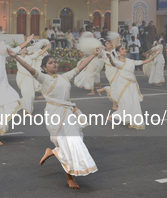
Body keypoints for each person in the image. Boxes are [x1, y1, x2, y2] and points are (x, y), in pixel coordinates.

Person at [9, 47, 102, 189]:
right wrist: (15, 56)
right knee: (65, 144)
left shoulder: (65, 77)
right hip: (54, 114)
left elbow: (81, 66)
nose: (54, 64)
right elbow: (29, 68)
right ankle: (70, 178)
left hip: (68, 113)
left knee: (75, 141)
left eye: (55, 62)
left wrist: (94, 55)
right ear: (45, 67)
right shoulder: (43, 77)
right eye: (50, 63)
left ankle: (53, 152)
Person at [106, 45, 158, 129]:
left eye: (124, 48)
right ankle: (113, 117)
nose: (124, 50)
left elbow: (144, 62)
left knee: (133, 103)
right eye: (122, 49)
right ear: (118, 53)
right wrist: (110, 59)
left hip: (132, 84)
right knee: (127, 104)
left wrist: (156, 54)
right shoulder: (118, 62)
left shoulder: (130, 61)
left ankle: (130, 122)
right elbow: (113, 64)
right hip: (122, 85)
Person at [16, 41, 51, 113]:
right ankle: (27, 111)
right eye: (23, 48)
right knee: (26, 94)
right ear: (20, 51)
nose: (25, 49)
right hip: (22, 78)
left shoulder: (29, 57)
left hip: (30, 78)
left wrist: (47, 48)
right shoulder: (17, 57)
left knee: (31, 95)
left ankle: (25, 106)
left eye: (25, 48)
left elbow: (39, 54)